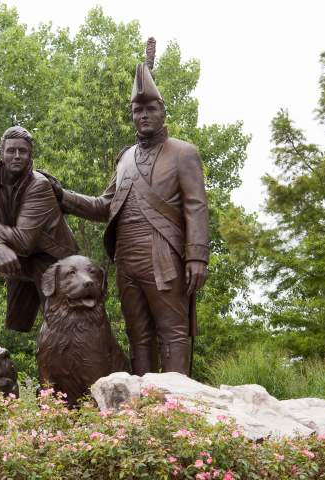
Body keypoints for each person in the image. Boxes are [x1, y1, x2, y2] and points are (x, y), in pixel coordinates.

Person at [61, 46, 210, 376]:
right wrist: (63, 196)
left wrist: (197, 256)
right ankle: (143, 408)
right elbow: (104, 206)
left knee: (173, 334)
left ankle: (177, 408)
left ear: (162, 112)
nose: (143, 115)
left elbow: (196, 206)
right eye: (136, 110)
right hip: (126, 261)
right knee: (138, 336)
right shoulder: (125, 158)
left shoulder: (183, 153)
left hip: (164, 257)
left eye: (150, 108)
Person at [0, 126, 77, 361]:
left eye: (23, 151)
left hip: (51, 259)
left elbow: (23, 242)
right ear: (1, 153)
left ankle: (64, 392)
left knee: (63, 335)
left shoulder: (39, 185)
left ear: (31, 156)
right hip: (15, 255)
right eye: (11, 151)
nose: (17, 156)